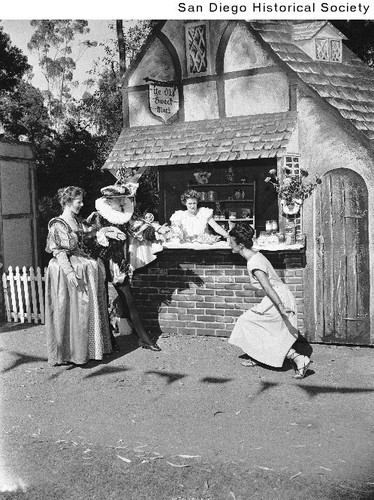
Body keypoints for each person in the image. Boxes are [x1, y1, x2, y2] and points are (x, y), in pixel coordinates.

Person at [227, 223, 311, 379]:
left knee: (250, 323)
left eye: (231, 242)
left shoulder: (254, 262)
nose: (229, 245)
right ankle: (259, 356)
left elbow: (268, 288)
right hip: (277, 295)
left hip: (278, 297)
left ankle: (299, 359)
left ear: (241, 244)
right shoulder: (255, 255)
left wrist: (281, 306)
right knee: (253, 323)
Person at [86, 182, 162, 352]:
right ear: (108, 200)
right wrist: (101, 234)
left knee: (129, 300)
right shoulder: (97, 216)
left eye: (122, 199)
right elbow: (87, 238)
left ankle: (144, 338)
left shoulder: (125, 215)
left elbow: (140, 229)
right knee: (102, 300)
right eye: (117, 199)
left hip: (118, 262)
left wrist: (157, 232)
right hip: (100, 262)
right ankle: (108, 341)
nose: (121, 202)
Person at [44, 186, 113, 366]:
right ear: (67, 202)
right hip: (65, 269)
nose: (82, 204)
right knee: (70, 311)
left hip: (81, 264)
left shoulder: (76, 220)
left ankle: (88, 349)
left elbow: (87, 235)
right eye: (78, 202)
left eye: (82, 201)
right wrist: (70, 272)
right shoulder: (58, 224)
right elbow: (58, 251)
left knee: (84, 310)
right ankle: (70, 352)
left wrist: (104, 232)